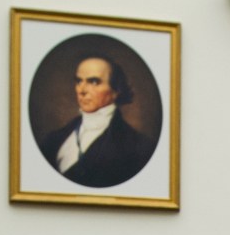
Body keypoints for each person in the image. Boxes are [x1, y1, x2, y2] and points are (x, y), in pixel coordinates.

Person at [38, 55, 157, 189]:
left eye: (94, 82)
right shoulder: (54, 139)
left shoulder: (138, 148)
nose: (82, 90)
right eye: (79, 81)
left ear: (116, 90)